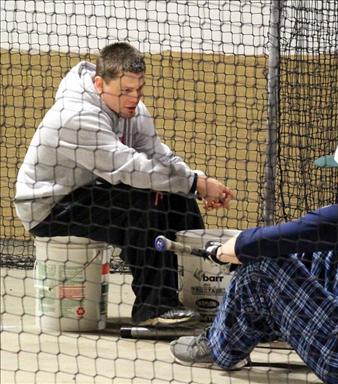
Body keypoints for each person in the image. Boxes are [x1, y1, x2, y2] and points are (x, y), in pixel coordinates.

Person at [170, 127, 338, 383]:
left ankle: (221, 347)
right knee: (324, 254)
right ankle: (262, 326)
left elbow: (270, 240)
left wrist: (223, 250)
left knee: (261, 270)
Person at [15, 42, 235, 326]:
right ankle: (153, 308)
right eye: (125, 91)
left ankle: (194, 295)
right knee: (141, 201)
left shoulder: (134, 111)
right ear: (99, 84)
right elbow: (128, 168)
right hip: (50, 208)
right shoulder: (75, 116)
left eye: (138, 90)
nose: (134, 98)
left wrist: (197, 180)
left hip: (92, 192)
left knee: (175, 197)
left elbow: (158, 155)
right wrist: (194, 183)